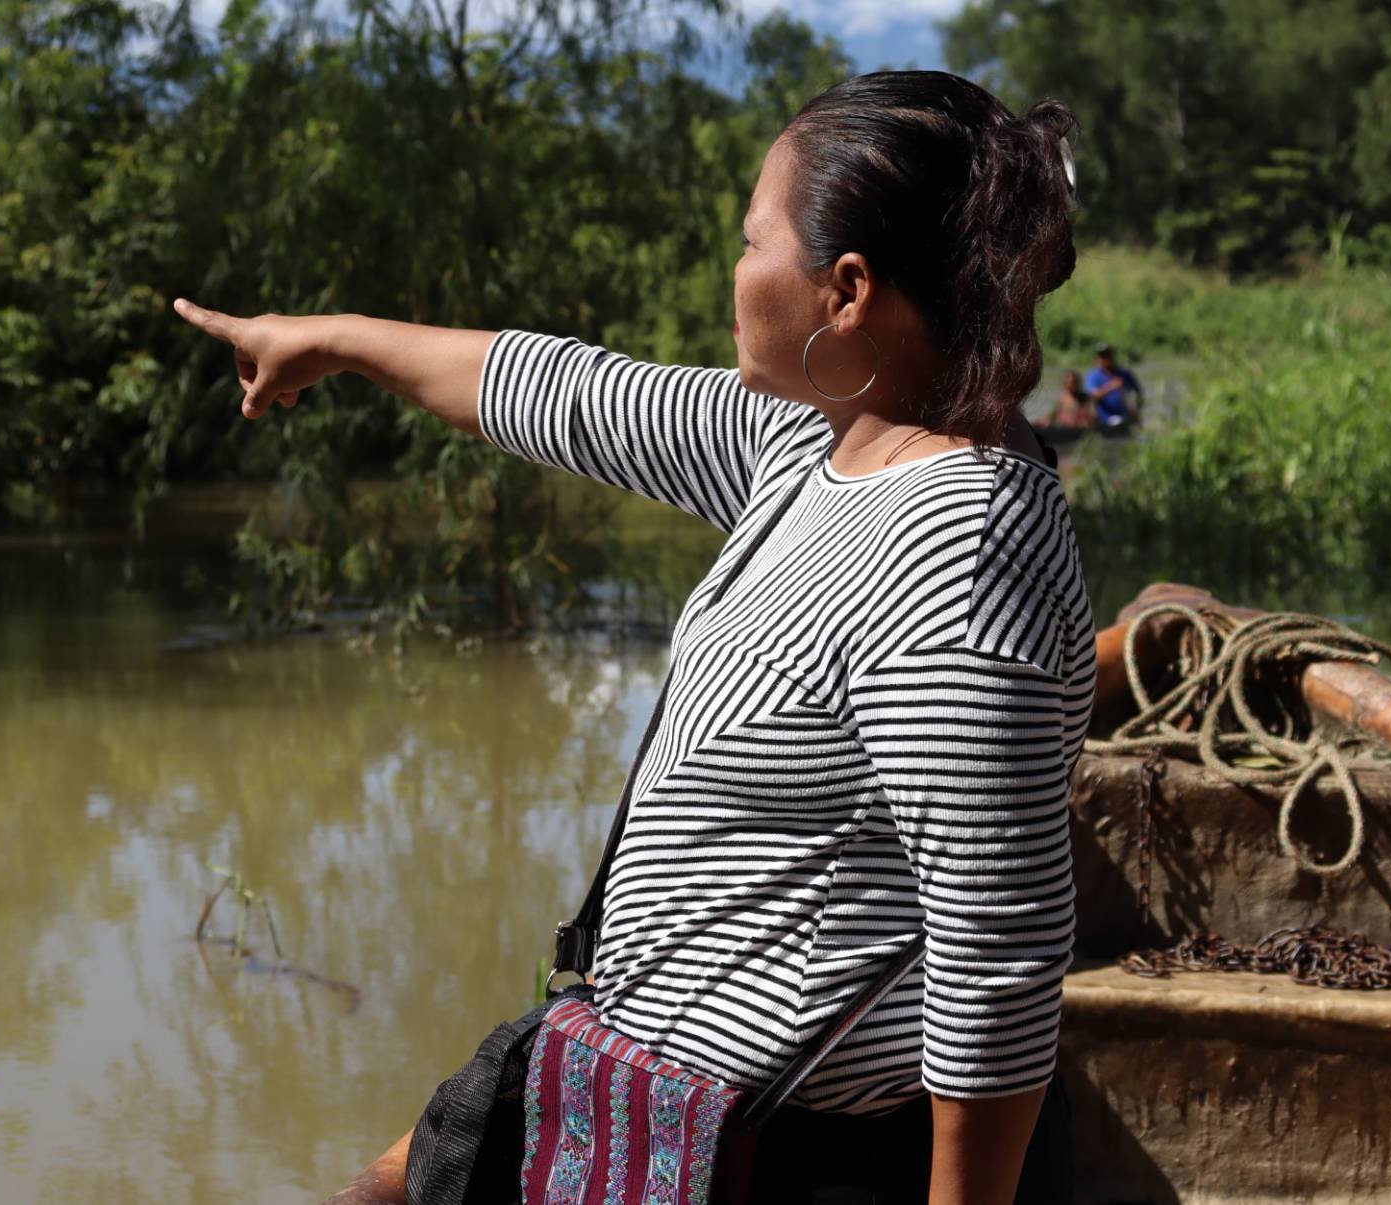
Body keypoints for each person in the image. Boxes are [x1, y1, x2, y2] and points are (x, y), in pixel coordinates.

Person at [178, 69, 1095, 1205]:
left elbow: (995, 943)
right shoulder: (811, 447)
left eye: (753, 239)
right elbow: (563, 391)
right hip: (665, 1108)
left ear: (846, 288)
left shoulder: (955, 539)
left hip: (812, 1156)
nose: (735, 269)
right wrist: (334, 338)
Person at [1083, 343, 1141, 427]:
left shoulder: (1125, 374)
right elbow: (1093, 396)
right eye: (1102, 356)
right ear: (1097, 358)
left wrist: (1136, 409)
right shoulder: (1092, 376)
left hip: (1126, 417)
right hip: (1104, 420)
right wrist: (1111, 387)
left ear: (1113, 356)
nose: (1105, 359)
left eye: (1107, 355)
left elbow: (1138, 393)